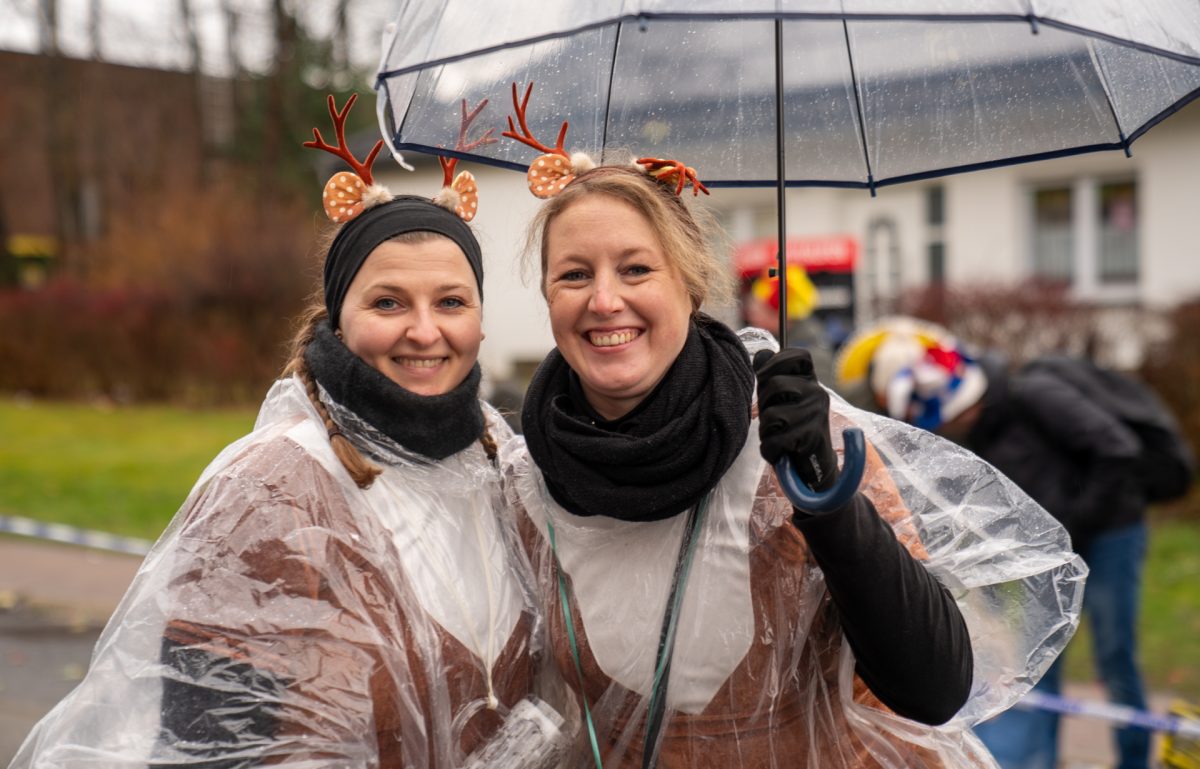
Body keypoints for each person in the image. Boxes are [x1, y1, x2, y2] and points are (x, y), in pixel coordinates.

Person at [495, 83, 1086, 769]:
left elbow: (934, 683)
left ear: (688, 285)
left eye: (636, 268)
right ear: (546, 296)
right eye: (573, 274)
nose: (604, 299)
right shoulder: (526, 480)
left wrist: (828, 501)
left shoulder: (790, 436)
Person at [10, 95, 565, 769]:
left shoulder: (501, 465)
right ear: (339, 316)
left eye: (450, 301)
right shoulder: (268, 490)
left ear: (480, 318)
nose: (425, 330)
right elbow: (201, 743)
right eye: (388, 302)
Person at [857, 323, 1195, 769]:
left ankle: (1132, 760)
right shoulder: (979, 434)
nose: (953, 428)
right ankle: (1044, 761)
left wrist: (1073, 523)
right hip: (1056, 547)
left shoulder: (1033, 395)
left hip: (1112, 531)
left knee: (1115, 655)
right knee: (1043, 654)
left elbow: (1117, 449)